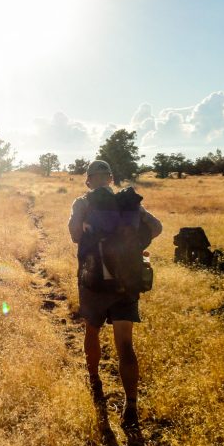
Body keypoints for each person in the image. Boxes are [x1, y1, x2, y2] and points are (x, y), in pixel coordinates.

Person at [68, 159, 162, 430]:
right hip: (126, 281)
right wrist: (134, 243)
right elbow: (157, 227)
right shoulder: (128, 202)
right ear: (109, 178)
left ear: (88, 180)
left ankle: (94, 380)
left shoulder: (82, 203)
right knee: (125, 345)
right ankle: (131, 405)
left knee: (92, 330)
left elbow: (75, 235)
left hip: (94, 280)